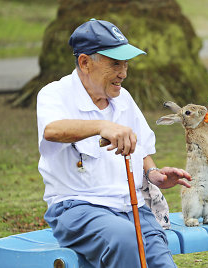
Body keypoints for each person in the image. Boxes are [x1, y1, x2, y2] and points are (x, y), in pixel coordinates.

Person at [36, 19, 191, 268]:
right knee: (124, 240)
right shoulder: (55, 93)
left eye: (126, 63)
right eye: (115, 64)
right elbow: (52, 130)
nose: (123, 73)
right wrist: (101, 126)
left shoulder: (124, 99)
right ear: (85, 62)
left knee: (161, 260)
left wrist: (154, 174)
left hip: (133, 207)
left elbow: (140, 148)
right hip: (77, 207)